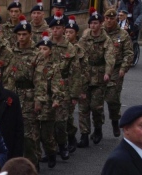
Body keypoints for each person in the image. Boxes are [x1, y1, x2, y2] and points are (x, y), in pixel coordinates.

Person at [4, 17, 40, 166]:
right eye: (19, 35)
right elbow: (7, 76)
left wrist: (39, 100)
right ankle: (14, 164)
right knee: (12, 131)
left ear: (30, 35)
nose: (21, 37)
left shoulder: (36, 54)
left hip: (29, 96)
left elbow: (40, 79)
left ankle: (32, 162)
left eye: (24, 34)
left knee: (29, 135)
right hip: (13, 95)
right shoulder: (11, 52)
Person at [77, 8, 115, 148]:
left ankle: (98, 129)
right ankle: (84, 135)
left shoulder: (106, 39)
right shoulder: (85, 38)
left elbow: (110, 57)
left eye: (96, 23)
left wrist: (108, 72)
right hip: (85, 75)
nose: (93, 26)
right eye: (91, 23)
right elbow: (78, 54)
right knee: (83, 107)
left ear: (101, 24)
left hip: (99, 76)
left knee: (96, 106)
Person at [49, 11, 81, 160]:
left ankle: (63, 145)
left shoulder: (70, 48)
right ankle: (51, 149)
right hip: (47, 87)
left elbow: (75, 72)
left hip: (64, 88)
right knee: (48, 121)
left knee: (61, 121)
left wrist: (75, 94)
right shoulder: (45, 45)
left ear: (63, 29)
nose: (55, 31)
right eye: (53, 28)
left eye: (58, 28)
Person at [35, 32, 64, 168]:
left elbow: (57, 84)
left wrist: (56, 99)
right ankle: (36, 156)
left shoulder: (54, 67)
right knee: (34, 132)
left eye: (45, 49)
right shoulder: (33, 64)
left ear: (50, 51)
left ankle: (51, 152)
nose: (42, 51)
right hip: (34, 100)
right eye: (40, 49)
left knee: (47, 133)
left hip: (47, 101)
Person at [103, 8, 133, 138]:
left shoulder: (123, 35)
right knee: (94, 102)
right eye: (107, 18)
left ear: (116, 19)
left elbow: (129, 53)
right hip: (99, 69)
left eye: (112, 18)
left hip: (115, 70)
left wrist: (123, 68)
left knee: (112, 99)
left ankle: (115, 120)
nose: (109, 21)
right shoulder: (99, 32)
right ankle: (97, 128)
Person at [65, 16, 87, 154]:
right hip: (59, 85)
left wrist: (80, 90)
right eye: (66, 32)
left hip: (72, 85)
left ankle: (71, 136)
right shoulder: (60, 47)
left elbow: (82, 71)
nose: (68, 35)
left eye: (71, 32)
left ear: (76, 34)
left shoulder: (79, 50)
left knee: (67, 115)